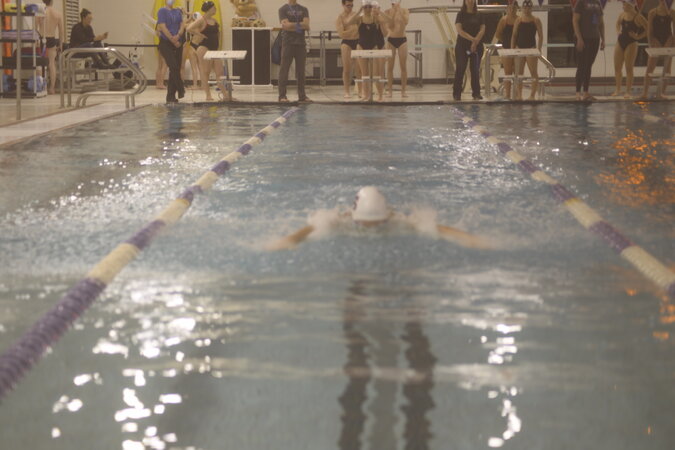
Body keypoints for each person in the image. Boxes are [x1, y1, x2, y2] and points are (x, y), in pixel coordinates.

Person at [266, 186, 492, 251]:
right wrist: (289, 240)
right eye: (365, 224)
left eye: (377, 224)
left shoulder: (397, 220)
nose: (371, 228)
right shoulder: (340, 220)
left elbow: (437, 228)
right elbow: (310, 228)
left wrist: (469, 239)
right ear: (355, 218)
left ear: (386, 217)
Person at [188, 2, 233, 101]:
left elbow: (218, 34)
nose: (215, 9)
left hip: (214, 49)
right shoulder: (201, 20)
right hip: (204, 48)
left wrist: (219, 45)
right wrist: (199, 35)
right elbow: (189, 28)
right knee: (206, 72)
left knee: (220, 72)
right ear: (208, 9)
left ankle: (226, 95)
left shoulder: (214, 21)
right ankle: (208, 95)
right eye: (214, 8)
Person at [346, 1, 390, 102]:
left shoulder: (376, 18)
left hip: (373, 46)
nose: (368, 9)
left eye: (369, 7)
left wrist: (379, 12)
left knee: (376, 73)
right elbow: (348, 23)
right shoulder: (360, 19)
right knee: (364, 73)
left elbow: (389, 20)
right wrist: (358, 11)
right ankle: (366, 95)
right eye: (365, 7)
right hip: (361, 46)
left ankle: (380, 95)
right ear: (363, 7)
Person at [278, 0, 312, 103]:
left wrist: (291, 26)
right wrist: (300, 26)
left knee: (301, 71)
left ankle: (302, 96)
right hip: (288, 43)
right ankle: (282, 96)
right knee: (284, 70)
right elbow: (286, 26)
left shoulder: (304, 9)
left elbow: (306, 25)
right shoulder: (283, 9)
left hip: (301, 43)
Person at [612, 0, 647, 98]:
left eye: (624, 4)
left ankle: (628, 91)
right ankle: (618, 90)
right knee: (617, 67)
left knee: (629, 68)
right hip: (620, 42)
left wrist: (638, 37)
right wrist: (618, 31)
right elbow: (617, 23)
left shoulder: (638, 17)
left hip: (631, 43)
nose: (623, 5)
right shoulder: (622, 15)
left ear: (631, 5)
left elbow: (648, 28)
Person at [453, 0, 485, 101]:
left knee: (475, 70)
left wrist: (475, 42)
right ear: (465, 1)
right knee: (460, 68)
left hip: (477, 47)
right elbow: (460, 30)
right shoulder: (460, 14)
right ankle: (457, 93)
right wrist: (472, 39)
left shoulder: (479, 15)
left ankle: (476, 93)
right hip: (462, 46)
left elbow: (482, 30)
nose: (470, 1)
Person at [572, 0, 605, 101]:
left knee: (589, 65)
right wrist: (579, 38)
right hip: (583, 38)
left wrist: (603, 39)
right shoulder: (581, 2)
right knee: (581, 65)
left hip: (595, 38)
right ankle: (577, 92)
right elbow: (575, 21)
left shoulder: (598, 3)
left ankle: (586, 92)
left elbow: (601, 23)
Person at [641, 0, 674, 99]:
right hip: (656, 41)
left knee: (667, 69)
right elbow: (650, 30)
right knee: (650, 68)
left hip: (668, 40)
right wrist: (651, 43)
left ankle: (662, 93)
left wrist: (672, 43)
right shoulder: (652, 12)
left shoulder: (672, 12)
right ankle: (644, 93)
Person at [511, 0, 542, 100]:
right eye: (525, 8)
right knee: (519, 73)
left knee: (533, 72)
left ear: (531, 8)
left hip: (531, 49)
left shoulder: (536, 20)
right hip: (519, 48)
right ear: (522, 8)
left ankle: (532, 95)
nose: (527, 9)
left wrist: (539, 49)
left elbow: (541, 36)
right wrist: (512, 49)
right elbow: (514, 35)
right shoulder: (518, 20)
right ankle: (519, 95)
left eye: (528, 8)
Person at [157, 0, 186, 104]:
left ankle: (170, 97)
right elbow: (163, 27)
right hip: (166, 42)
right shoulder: (162, 11)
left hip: (178, 41)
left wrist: (178, 36)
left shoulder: (177, 11)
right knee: (173, 66)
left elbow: (182, 25)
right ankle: (181, 88)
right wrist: (172, 39)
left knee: (176, 68)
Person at [336, 0, 363, 99]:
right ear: (343, 5)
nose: (350, 8)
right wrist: (353, 30)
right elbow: (341, 34)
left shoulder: (356, 16)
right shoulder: (340, 17)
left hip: (357, 41)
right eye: (348, 6)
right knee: (347, 69)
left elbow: (361, 30)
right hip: (346, 43)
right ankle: (346, 91)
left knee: (359, 69)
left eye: (352, 5)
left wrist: (348, 29)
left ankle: (360, 91)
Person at [384, 0, 410, 98]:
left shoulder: (405, 10)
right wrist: (394, 12)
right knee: (390, 67)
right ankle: (390, 91)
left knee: (403, 66)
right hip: (391, 40)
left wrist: (399, 10)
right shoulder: (387, 11)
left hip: (402, 40)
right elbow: (389, 26)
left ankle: (403, 91)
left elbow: (406, 22)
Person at [493, 1, 518, 100]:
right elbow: (498, 34)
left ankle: (517, 94)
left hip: (517, 49)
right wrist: (506, 41)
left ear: (517, 9)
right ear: (507, 9)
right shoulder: (504, 20)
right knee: (508, 73)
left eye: (514, 8)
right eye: (510, 8)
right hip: (506, 48)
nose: (512, 10)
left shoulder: (519, 20)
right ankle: (508, 94)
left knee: (517, 72)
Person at [38, 0, 64, 95]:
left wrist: (36, 41)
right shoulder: (58, 14)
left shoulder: (40, 12)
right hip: (52, 39)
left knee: (39, 64)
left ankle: (41, 87)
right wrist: (60, 44)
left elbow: (35, 28)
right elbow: (61, 31)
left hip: (42, 38)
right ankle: (52, 88)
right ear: (51, 2)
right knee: (51, 64)